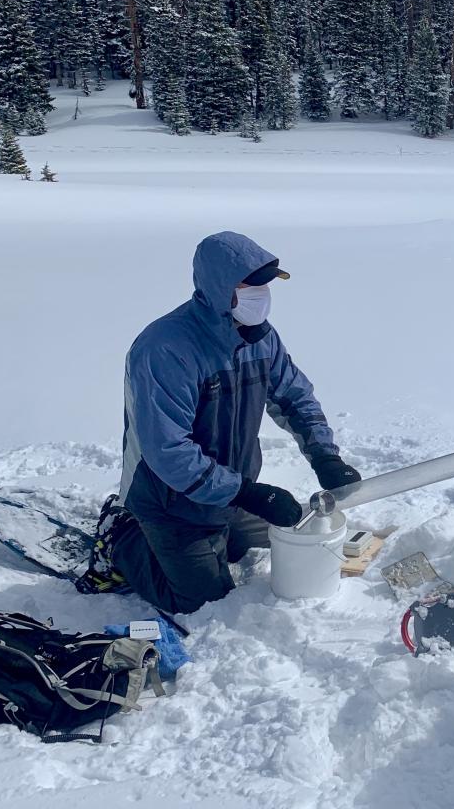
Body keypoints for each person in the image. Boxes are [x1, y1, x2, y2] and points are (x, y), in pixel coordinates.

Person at [107, 231, 361, 614]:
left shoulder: (260, 338)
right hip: (170, 499)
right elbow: (168, 450)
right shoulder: (165, 349)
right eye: (250, 287)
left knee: (291, 525)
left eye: (266, 286)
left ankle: (223, 534)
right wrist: (246, 494)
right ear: (220, 289)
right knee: (202, 601)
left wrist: (325, 457)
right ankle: (122, 538)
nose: (262, 295)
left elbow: (295, 397)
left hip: (228, 489)